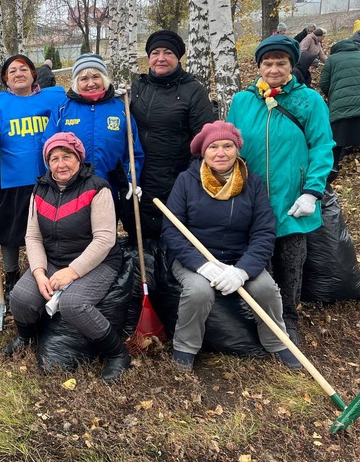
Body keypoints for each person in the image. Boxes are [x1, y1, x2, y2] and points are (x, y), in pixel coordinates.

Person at [162, 121, 301, 371]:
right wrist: (202, 266)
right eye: (213, 147)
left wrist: (243, 270)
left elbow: (264, 231)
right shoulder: (186, 181)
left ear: (237, 149)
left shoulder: (252, 183)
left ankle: (277, 342)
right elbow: (172, 230)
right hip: (195, 260)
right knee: (198, 292)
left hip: (240, 257)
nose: (221, 152)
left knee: (267, 289)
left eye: (228, 146)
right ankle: (185, 348)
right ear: (203, 152)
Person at [227, 35, 334, 344]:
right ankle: (262, 318)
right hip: (253, 198)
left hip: (292, 197)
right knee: (259, 262)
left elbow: (322, 146)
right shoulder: (242, 101)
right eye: (267, 63)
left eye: (281, 63)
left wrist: (312, 191)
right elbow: (230, 146)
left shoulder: (308, 100)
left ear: (291, 65)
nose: (273, 69)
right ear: (259, 65)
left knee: (291, 260)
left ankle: (288, 316)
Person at [4, 132, 130, 383]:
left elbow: (105, 240)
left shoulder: (97, 188)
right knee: (20, 297)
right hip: (52, 259)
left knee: (73, 304)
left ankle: (117, 354)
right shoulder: (39, 190)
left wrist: (72, 272)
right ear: (47, 163)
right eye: (54, 159)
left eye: (67, 157)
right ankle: (26, 336)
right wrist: (39, 272)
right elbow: (33, 237)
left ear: (79, 158)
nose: (61, 164)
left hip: (97, 261)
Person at [0, 54, 65, 295]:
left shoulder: (54, 98)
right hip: (9, 176)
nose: (18, 74)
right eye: (12, 71)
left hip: (48, 176)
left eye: (23, 69)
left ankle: (46, 270)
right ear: (5, 79)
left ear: (33, 74)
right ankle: (11, 274)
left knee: (49, 227)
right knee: (10, 227)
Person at [44, 53, 145, 239]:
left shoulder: (121, 108)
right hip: (72, 188)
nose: (91, 83)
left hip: (110, 186)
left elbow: (134, 152)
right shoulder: (63, 109)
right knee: (75, 238)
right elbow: (48, 149)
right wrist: (57, 179)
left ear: (104, 78)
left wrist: (131, 178)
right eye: (84, 78)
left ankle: (107, 267)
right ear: (76, 82)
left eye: (96, 76)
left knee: (105, 236)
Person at [129, 30, 216, 239]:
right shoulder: (137, 88)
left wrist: (190, 178)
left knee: (173, 236)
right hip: (139, 177)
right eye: (155, 53)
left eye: (167, 52)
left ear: (177, 57)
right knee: (140, 236)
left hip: (175, 179)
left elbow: (205, 140)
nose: (160, 58)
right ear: (148, 57)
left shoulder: (193, 91)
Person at [319, 38, 360, 175]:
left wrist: (332, 95)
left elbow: (323, 83)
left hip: (341, 101)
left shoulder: (332, 59)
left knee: (339, 132)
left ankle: (334, 165)